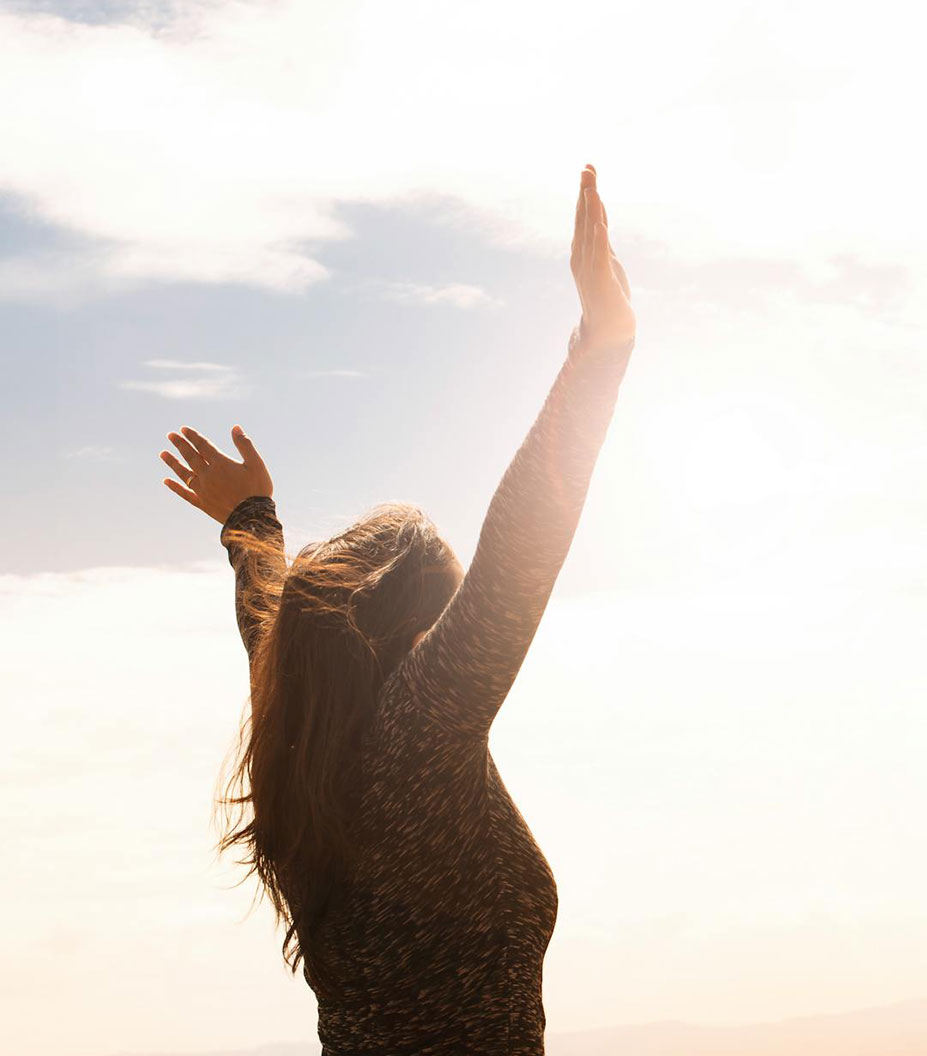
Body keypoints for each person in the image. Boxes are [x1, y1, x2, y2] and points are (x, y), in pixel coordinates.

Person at [159, 163, 636, 1056]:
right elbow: (518, 553)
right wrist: (601, 347)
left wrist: (251, 525)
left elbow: (270, 625)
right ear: (417, 634)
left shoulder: (302, 748)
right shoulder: (414, 743)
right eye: (449, 620)